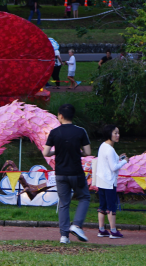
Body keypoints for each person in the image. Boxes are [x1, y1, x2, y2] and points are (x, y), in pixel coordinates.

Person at [42, 104, 92, 244]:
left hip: (60, 173)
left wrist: (55, 152)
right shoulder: (81, 131)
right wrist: (78, 152)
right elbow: (87, 152)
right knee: (84, 197)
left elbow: (46, 152)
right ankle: (76, 225)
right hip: (76, 172)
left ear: (61, 116)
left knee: (64, 203)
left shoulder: (54, 132)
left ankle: (64, 236)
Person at [92, 124, 127, 239]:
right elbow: (113, 167)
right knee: (111, 206)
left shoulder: (103, 146)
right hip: (109, 181)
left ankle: (101, 229)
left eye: (118, 133)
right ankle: (113, 231)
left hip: (101, 180)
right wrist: (124, 161)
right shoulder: (110, 149)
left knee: (102, 205)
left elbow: (109, 161)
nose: (118, 135)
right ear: (109, 134)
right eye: (115, 133)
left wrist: (119, 158)